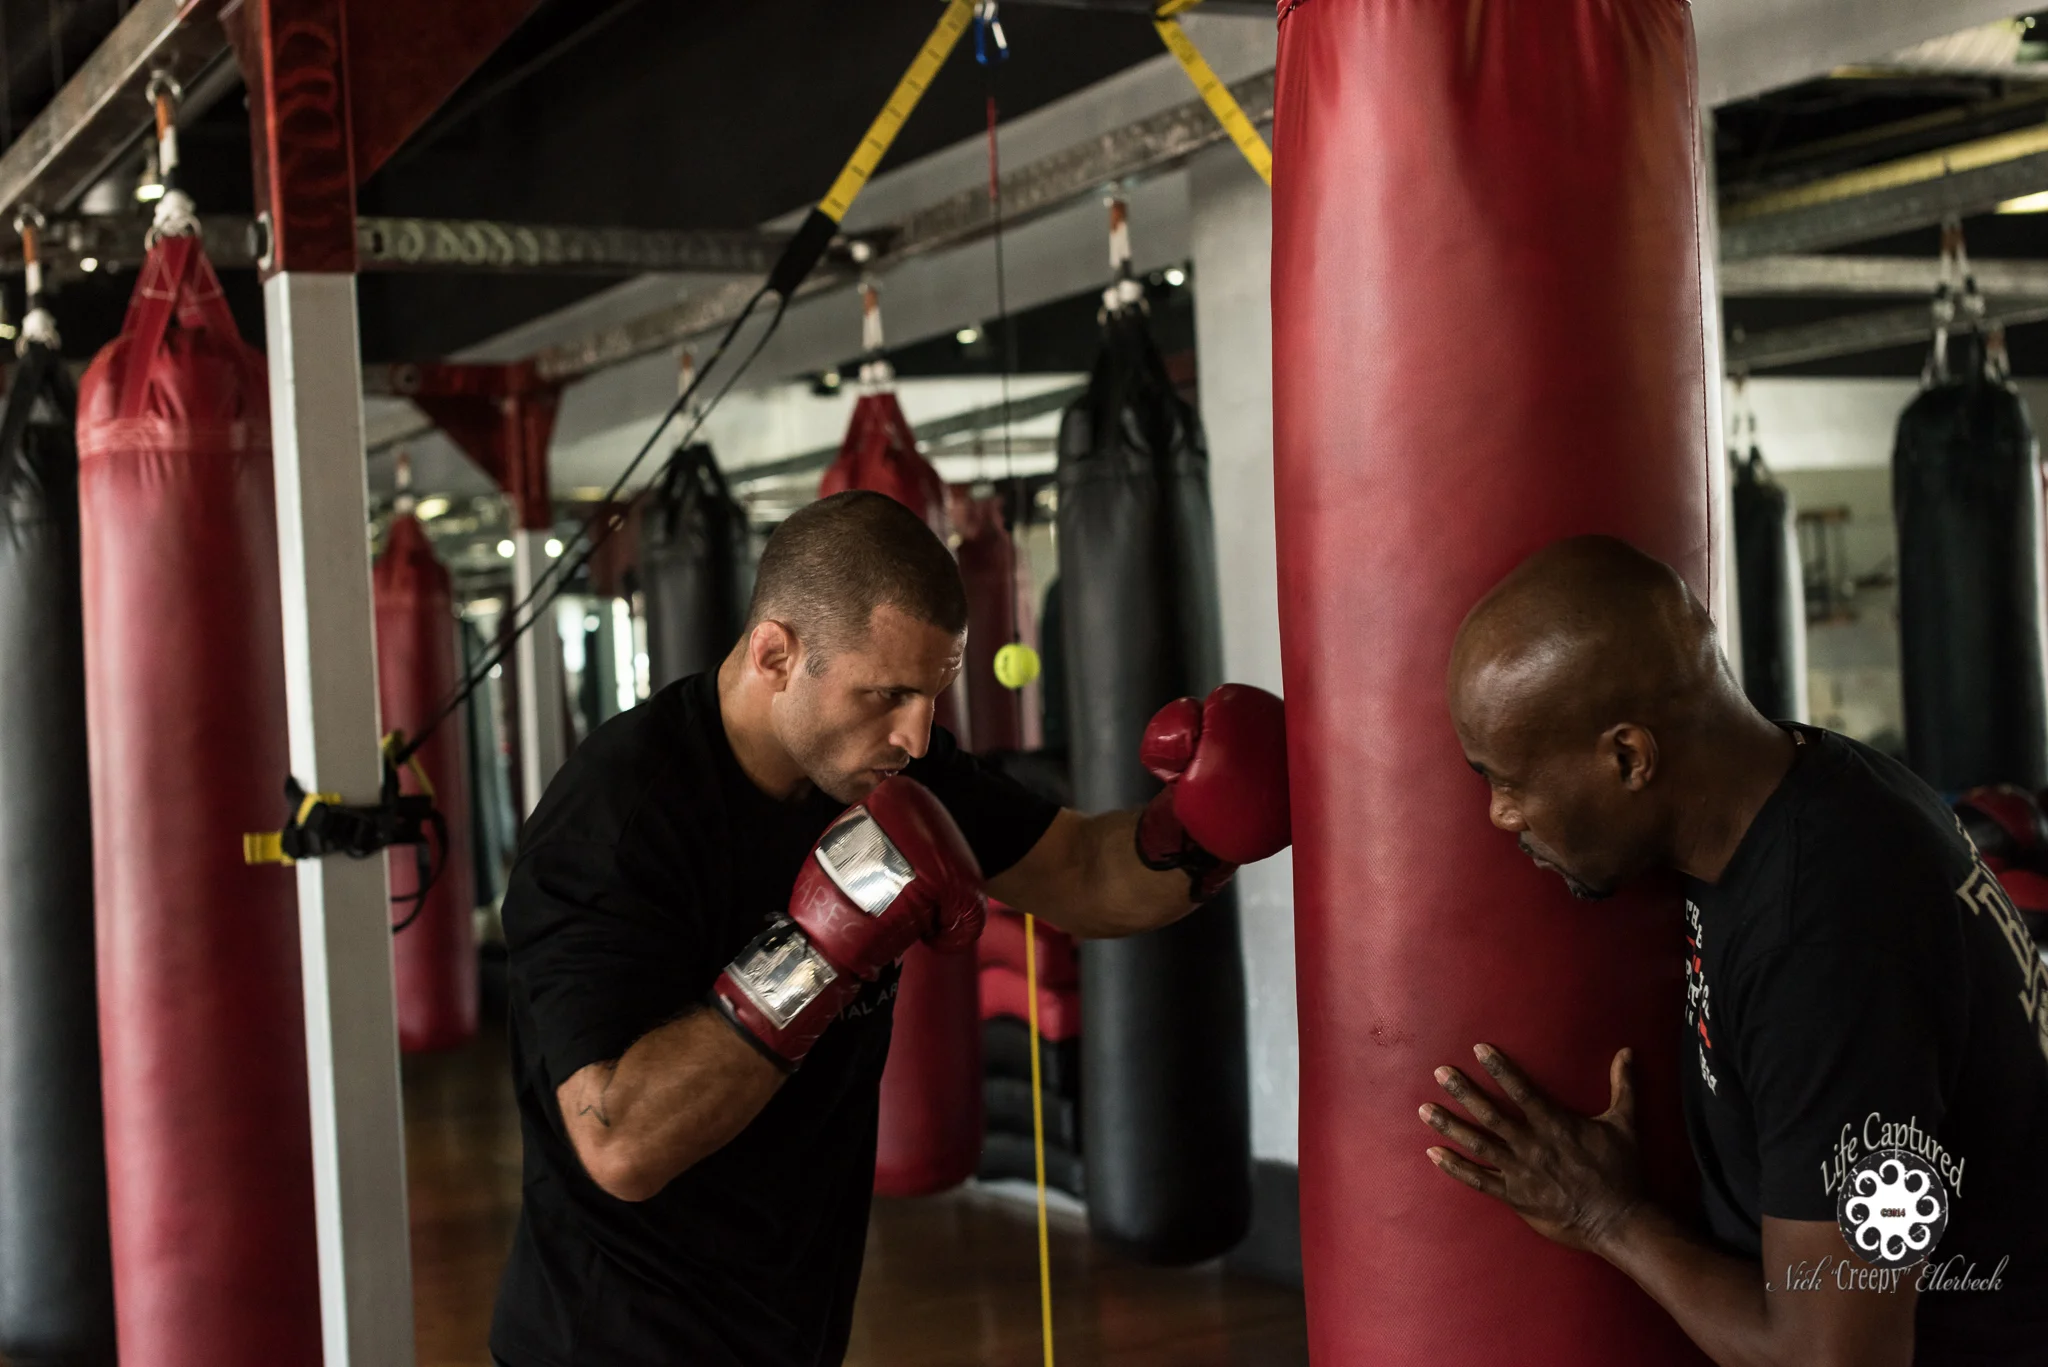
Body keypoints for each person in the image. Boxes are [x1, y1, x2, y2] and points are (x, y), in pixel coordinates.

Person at [489, 490, 1287, 1367]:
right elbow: (619, 1142)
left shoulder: (886, 766)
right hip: (612, 1343)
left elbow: (1085, 875)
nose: (916, 733)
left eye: (933, 694)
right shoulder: (617, 820)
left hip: (792, 1321)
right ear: (775, 653)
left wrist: (1206, 828)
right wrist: (825, 940)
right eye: (890, 693)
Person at [1422, 535, 2048, 1367]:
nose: (1502, 815)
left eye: (1509, 779)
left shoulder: (1829, 941)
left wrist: (1608, 1216)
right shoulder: (1800, 787)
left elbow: (1842, 1361)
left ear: (1627, 757)